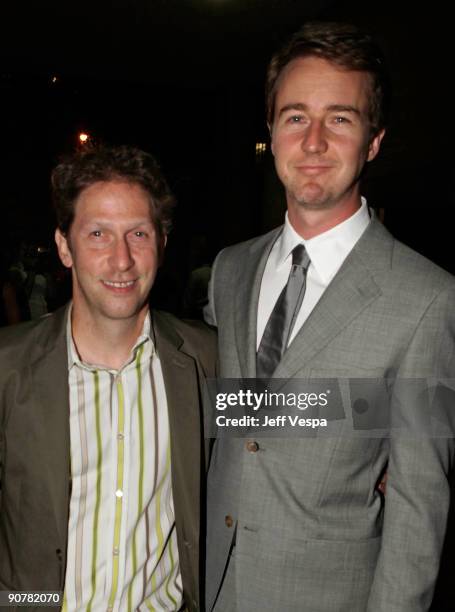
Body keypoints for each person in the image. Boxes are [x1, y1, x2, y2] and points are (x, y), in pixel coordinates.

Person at [205, 21, 455, 611]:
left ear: (373, 140)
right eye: (295, 117)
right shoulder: (229, 270)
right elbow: (238, 416)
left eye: (339, 119)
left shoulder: (429, 297)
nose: (313, 141)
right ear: (270, 129)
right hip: (214, 586)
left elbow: (420, 508)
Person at [0, 145, 216, 612]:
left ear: (162, 242)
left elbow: (294, 426)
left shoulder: (208, 359)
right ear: (64, 246)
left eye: (138, 234)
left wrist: (380, 441)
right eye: (98, 233)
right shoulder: (7, 368)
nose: (121, 260)